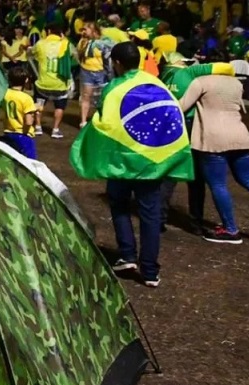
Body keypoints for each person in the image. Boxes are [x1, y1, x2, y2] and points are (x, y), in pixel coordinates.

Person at [70, 42, 194, 287]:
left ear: (116, 63)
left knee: (119, 204)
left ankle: (127, 254)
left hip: (122, 160)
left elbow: (105, 122)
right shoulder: (157, 84)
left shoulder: (114, 87)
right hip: (152, 162)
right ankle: (150, 271)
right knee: (150, 214)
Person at [180, 66, 249, 244]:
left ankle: (230, 229)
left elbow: (181, 106)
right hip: (240, 135)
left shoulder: (201, 81)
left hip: (213, 138)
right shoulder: (236, 83)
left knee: (218, 184)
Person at [159, 52, 234, 233]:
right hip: (191, 125)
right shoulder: (190, 72)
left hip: (169, 125)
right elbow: (228, 67)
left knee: (169, 173)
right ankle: (196, 222)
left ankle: (159, 219)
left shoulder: (162, 76)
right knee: (197, 177)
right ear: (182, 62)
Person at [30, 24, 73, 139]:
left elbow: (32, 54)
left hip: (43, 83)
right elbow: (73, 55)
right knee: (59, 107)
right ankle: (55, 129)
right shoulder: (66, 44)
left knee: (39, 104)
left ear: (48, 31)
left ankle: (38, 126)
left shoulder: (40, 44)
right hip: (60, 84)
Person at [0, 65, 38, 159]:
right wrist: (34, 112)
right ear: (26, 80)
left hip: (8, 133)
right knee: (30, 163)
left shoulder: (5, 94)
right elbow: (28, 122)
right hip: (23, 135)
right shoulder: (26, 98)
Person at [77, 22, 110, 128]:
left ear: (94, 31)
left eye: (85, 29)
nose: (83, 31)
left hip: (101, 73)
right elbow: (79, 55)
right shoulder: (83, 42)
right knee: (86, 96)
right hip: (86, 72)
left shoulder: (104, 42)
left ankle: (101, 119)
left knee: (102, 98)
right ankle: (83, 121)